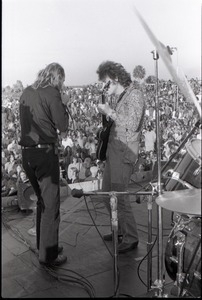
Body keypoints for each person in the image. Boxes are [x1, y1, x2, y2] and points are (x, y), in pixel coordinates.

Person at [19, 62, 69, 266]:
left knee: (42, 201)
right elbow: (63, 126)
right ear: (57, 77)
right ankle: (48, 255)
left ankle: (44, 244)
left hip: (27, 155)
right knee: (50, 204)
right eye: (62, 81)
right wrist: (64, 102)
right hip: (45, 154)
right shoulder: (52, 93)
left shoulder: (26, 92)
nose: (62, 85)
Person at [96, 61, 145, 253]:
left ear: (115, 79)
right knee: (106, 194)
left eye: (107, 82)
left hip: (125, 152)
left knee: (120, 196)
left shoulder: (135, 95)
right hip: (113, 151)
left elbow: (132, 124)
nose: (106, 86)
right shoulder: (121, 95)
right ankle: (119, 230)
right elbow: (115, 121)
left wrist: (110, 112)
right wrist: (107, 111)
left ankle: (131, 237)